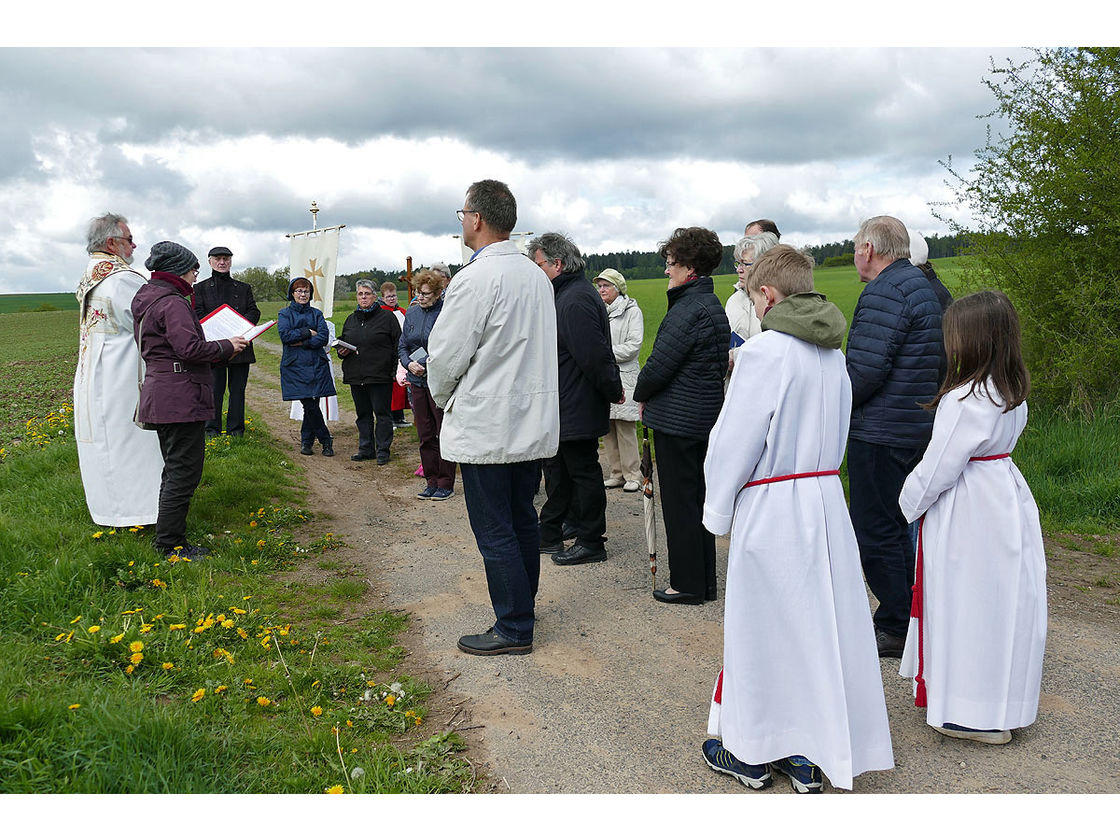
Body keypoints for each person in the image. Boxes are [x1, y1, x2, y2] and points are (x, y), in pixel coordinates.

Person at [699, 245, 894, 793]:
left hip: (774, 505)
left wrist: (716, 508)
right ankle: (810, 751)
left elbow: (735, 439)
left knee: (761, 629)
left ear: (767, 295)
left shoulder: (766, 354)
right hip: (825, 501)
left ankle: (752, 751)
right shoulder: (832, 355)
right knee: (814, 627)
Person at [898, 290, 1046, 745]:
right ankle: (1001, 705)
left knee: (966, 602)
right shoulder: (1010, 391)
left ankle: (971, 712)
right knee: (1001, 602)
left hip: (970, 506)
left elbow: (940, 464)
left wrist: (907, 503)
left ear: (974, 340)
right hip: (1004, 494)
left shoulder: (964, 398)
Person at [427, 179, 559, 656]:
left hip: (487, 421)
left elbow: (445, 357)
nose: (461, 221)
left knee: (495, 527)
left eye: (462, 213)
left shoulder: (475, 279)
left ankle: (514, 627)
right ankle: (523, 603)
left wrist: (441, 398)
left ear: (477, 219)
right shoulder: (535, 276)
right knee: (522, 516)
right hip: (530, 416)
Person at [845, 216, 944, 657]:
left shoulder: (884, 291)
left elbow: (864, 371)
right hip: (915, 425)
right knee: (900, 525)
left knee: (875, 529)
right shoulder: (922, 285)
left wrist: (832, 400)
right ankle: (909, 615)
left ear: (868, 249)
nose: (854, 257)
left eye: (855, 248)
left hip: (881, 430)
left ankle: (897, 623)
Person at [131, 241, 248, 558]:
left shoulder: (147, 299)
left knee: (173, 469)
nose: (197, 273)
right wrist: (227, 346)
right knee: (183, 472)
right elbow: (190, 349)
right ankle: (170, 544)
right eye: (194, 267)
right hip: (180, 396)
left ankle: (168, 535)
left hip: (161, 392)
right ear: (177, 271)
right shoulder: (173, 303)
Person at [632, 226, 730, 604]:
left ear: (689, 267)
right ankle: (702, 581)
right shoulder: (710, 304)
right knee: (696, 499)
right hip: (701, 417)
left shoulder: (688, 309)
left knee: (680, 503)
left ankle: (687, 584)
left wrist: (641, 393)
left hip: (679, 420)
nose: (666, 270)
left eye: (671, 263)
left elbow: (659, 366)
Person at [531, 233, 623, 566]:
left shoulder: (575, 299)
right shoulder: (565, 294)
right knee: (563, 470)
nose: (535, 270)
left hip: (577, 402)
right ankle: (569, 522)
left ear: (557, 264)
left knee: (583, 471)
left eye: (538, 263)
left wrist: (613, 389)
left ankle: (591, 540)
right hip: (566, 400)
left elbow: (594, 356)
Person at [74, 213, 164, 527]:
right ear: (112, 243)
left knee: (104, 444)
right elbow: (150, 322)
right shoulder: (121, 278)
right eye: (129, 239)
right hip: (121, 374)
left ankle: (110, 510)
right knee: (129, 441)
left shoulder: (92, 274)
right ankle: (142, 512)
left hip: (94, 372)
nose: (135, 245)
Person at [399, 269, 457, 498]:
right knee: (424, 433)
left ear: (437, 293)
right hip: (416, 380)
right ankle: (431, 480)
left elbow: (447, 346)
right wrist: (408, 364)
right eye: (418, 293)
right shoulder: (412, 314)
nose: (420, 298)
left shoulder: (446, 313)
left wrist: (423, 361)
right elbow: (403, 344)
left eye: (425, 294)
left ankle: (445, 483)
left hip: (437, 379)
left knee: (442, 431)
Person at [193, 245, 260, 438]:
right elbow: (198, 315)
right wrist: (218, 333)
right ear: (210, 261)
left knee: (237, 392)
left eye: (226, 259)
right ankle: (211, 429)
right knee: (214, 390)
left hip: (241, 345)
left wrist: (239, 329)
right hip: (215, 347)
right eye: (218, 259)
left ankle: (236, 430)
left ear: (231, 261)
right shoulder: (200, 288)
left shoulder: (244, 288)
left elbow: (254, 311)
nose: (222, 262)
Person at [336, 279, 401, 465]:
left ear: (375, 296)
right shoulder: (351, 319)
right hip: (356, 375)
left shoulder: (388, 318)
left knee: (382, 414)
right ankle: (366, 449)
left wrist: (394, 371)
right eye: (360, 294)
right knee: (362, 414)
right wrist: (341, 351)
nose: (363, 297)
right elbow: (345, 342)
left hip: (380, 375)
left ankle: (383, 451)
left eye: (367, 293)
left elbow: (398, 345)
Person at [594, 268, 644, 493]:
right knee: (608, 427)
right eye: (600, 286)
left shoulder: (632, 311)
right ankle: (616, 472)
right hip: (605, 376)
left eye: (606, 285)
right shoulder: (599, 310)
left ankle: (633, 474)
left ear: (618, 288)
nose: (601, 289)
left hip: (625, 376)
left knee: (625, 428)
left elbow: (633, 346)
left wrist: (604, 355)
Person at [278, 277, 337, 456]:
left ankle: (307, 442)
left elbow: (323, 337)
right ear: (292, 294)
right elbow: (285, 336)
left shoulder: (316, 314)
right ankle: (326, 440)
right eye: (299, 291)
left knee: (312, 405)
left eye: (306, 291)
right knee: (309, 405)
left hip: (316, 364)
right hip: (295, 366)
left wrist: (301, 341)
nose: (303, 294)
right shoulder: (284, 314)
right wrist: (307, 333)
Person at [726, 232, 779, 364]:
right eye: (738, 263)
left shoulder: (780, 301)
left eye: (745, 264)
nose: (739, 269)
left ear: (764, 265)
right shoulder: (734, 300)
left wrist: (736, 356)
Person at [379, 282, 410, 428]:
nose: (392, 299)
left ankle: (399, 417)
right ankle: (390, 418)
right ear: (383, 298)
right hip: (389, 353)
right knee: (391, 387)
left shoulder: (403, 311)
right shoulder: (382, 313)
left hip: (403, 352)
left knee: (402, 385)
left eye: (394, 296)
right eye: (388, 296)